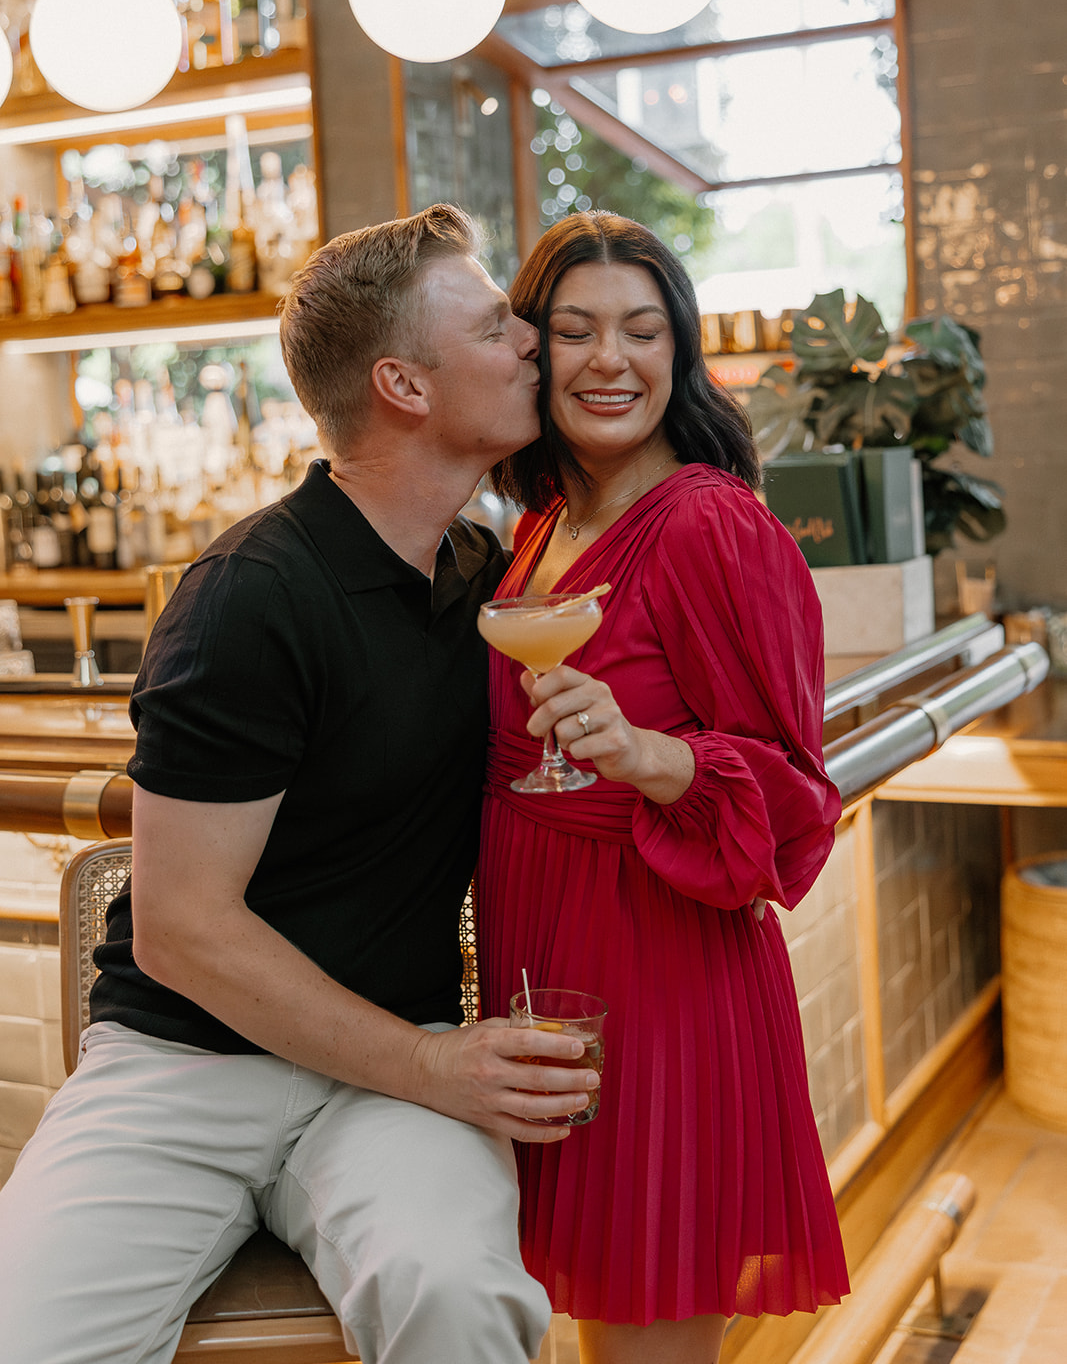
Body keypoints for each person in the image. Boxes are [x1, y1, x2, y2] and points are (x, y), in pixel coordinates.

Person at [0, 204, 602, 1364]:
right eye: (492, 326)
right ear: (403, 385)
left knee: (463, 1300)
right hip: (186, 1069)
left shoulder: (484, 575)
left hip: (386, 1083)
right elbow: (180, 932)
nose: (531, 339)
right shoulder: (248, 596)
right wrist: (436, 1062)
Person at [480, 211, 850, 1364]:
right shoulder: (538, 524)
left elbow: (796, 801)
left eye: (642, 332)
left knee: (644, 1342)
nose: (610, 361)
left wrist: (650, 754)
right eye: (576, 330)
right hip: (550, 970)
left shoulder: (707, 525)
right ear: (532, 354)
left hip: (659, 978)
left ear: (677, 356)